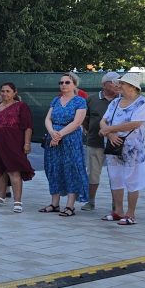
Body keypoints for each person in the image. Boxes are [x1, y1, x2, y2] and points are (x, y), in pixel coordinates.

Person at [99, 73, 145, 225]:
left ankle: (130, 214)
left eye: (122, 83)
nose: (118, 86)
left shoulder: (143, 103)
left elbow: (135, 123)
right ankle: (118, 211)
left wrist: (109, 129)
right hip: (114, 147)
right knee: (115, 179)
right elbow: (103, 121)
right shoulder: (115, 102)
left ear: (132, 87)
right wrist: (110, 135)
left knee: (132, 180)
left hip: (133, 150)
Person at [40, 72, 89, 217]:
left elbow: (77, 122)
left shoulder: (80, 101)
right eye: (61, 82)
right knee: (53, 168)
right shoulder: (56, 100)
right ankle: (54, 203)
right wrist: (52, 133)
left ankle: (70, 205)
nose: (63, 85)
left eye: (67, 82)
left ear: (74, 84)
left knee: (71, 169)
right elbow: (48, 119)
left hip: (70, 140)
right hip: (53, 139)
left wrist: (59, 135)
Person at [0, 83, 34, 213]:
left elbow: (28, 126)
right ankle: (0, 197)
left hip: (14, 143)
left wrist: (27, 143)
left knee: (14, 171)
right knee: (0, 171)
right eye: (3, 91)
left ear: (14, 92)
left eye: (8, 91)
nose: (5, 93)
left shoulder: (21, 106)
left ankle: (17, 201)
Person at [81, 72, 121, 212]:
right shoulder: (91, 99)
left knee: (116, 175)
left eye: (119, 82)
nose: (117, 85)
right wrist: (91, 130)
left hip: (117, 143)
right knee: (93, 173)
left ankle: (116, 205)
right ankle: (90, 202)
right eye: (114, 82)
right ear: (104, 84)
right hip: (95, 142)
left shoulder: (122, 99)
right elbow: (85, 119)